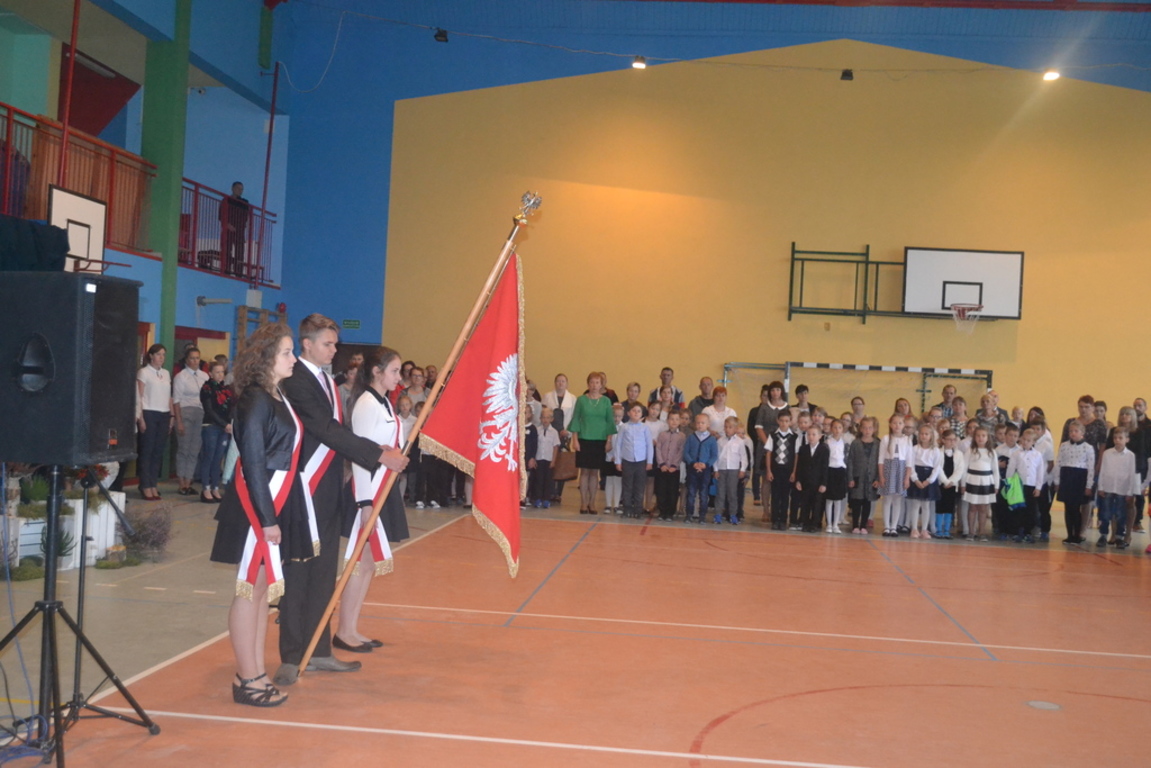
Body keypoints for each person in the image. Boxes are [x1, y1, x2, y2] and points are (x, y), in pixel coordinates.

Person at [274, 314, 397, 687]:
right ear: (307, 343)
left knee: (324, 573)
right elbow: (323, 428)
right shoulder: (296, 380)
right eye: (328, 344)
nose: (334, 350)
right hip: (302, 489)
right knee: (299, 574)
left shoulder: (327, 381)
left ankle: (319, 650)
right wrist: (377, 454)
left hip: (327, 488)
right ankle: (291, 656)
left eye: (335, 344)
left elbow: (337, 430)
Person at [209, 322, 300, 708]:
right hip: (255, 506)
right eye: (287, 352)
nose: (293, 358)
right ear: (266, 357)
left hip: (271, 502)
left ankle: (256, 672)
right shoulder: (255, 399)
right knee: (249, 590)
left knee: (261, 592)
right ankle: (247, 679)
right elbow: (253, 462)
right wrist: (266, 518)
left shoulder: (276, 394)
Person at [343, 346, 411, 652]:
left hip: (383, 486)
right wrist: (365, 504)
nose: (399, 377)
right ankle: (344, 630)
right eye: (394, 371)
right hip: (368, 490)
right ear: (376, 371)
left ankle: (352, 628)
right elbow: (360, 456)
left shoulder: (384, 402)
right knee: (360, 561)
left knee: (368, 563)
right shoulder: (367, 404)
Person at [568, 372, 616, 515]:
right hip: (584, 439)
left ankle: (592, 503)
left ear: (601, 385)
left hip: (599, 440)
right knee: (584, 472)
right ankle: (583, 502)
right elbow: (576, 419)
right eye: (592, 382)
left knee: (595, 473)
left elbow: (610, 422)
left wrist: (609, 441)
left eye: (597, 382)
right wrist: (575, 439)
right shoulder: (581, 400)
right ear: (588, 384)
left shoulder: (606, 401)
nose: (594, 385)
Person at [136, 343, 172, 501]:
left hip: (164, 413)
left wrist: (171, 416)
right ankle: (145, 485)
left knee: (158, 452)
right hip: (149, 412)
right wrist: (141, 418)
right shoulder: (144, 372)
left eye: (163, 354)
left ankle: (153, 484)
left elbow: (169, 396)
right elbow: (139, 396)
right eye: (158, 354)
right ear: (151, 356)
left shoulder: (166, 373)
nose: (161, 357)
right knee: (147, 451)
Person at [173, 346, 209, 496]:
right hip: (185, 412)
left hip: (200, 414)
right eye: (192, 358)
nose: (195, 361)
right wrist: (179, 421)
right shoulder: (181, 376)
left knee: (194, 450)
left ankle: (189, 482)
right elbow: (176, 400)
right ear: (187, 360)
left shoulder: (205, 376)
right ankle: (181, 483)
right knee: (184, 449)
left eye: (197, 358)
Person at [198, 360, 234, 503]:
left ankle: (215, 487)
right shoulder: (207, 388)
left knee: (218, 459)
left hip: (224, 428)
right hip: (211, 426)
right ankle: (205, 488)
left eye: (222, 372)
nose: (220, 375)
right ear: (210, 373)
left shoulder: (226, 389)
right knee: (209, 456)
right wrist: (224, 424)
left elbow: (229, 408)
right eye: (217, 372)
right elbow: (209, 410)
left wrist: (229, 423)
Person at [1096, 426, 1138, 549]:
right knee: (1105, 513)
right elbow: (1103, 471)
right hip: (1108, 487)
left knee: (1121, 514)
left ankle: (1119, 537)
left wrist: (1130, 491)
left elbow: (1131, 474)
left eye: (1120, 438)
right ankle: (1103, 535)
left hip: (1122, 489)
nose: (1117, 440)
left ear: (1127, 439)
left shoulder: (1130, 456)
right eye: (1115, 438)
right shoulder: (1107, 453)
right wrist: (1101, 487)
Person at [1055, 420, 1094, 545]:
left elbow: (1091, 468)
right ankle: (1069, 535)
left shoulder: (1088, 448)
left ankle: (1077, 535)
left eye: (1076, 431)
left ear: (1082, 433)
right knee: (1068, 508)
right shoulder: (1064, 446)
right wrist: (1057, 481)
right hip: (1066, 477)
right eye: (1071, 431)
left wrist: (1089, 485)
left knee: (1076, 508)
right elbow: (1058, 463)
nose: (1073, 433)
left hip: (1079, 478)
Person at [615, 402, 654, 518]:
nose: (636, 413)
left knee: (639, 487)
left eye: (638, 411)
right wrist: (618, 461)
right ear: (628, 413)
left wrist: (650, 461)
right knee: (627, 486)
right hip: (627, 461)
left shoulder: (645, 428)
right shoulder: (624, 427)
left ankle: (638, 509)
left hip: (641, 461)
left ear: (642, 414)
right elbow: (618, 444)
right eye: (634, 411)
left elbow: (649, 445)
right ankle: (627, 509)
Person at [1006, 429, 1045, 543]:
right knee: (1019, 509)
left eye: (1028, 440)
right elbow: (1010, 470)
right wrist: (1009, 484)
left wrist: (1038, 488)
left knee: (1030, 510)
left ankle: (1028, 532)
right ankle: (1018, 532)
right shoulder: (1016, 454)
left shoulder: (1037, 455)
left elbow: (1040, 472)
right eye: (1024, 439)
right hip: (1019, 486)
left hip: (1031, 486)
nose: (1025, 442)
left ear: (1033, 442)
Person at [878, 414, 912, 537]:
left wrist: (907, 477)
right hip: (889, 468)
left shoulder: (907, 440)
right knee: (887, 499)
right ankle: (886, 526)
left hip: (901, 470)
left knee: (898, 499)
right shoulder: (886, 438)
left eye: (900, 423)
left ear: (904, 425)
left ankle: (894, 527)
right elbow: (881, 459)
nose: (897, 425)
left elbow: (909, 461)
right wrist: (881, 476)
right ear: (890, 424)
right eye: (894, 423)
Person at [906, 424, 942, 539]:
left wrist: (929, 481)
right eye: (922, 434)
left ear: (931, 436)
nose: (924, 436)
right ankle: (914, 529)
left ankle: (924, 529)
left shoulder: (935, 450)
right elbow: (910, 465)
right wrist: (915, 479)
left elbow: (937, 467)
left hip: (928, 478)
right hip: (917, 476)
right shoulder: (914, 449)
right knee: (915, 504)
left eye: (926, 434)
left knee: (926, 505)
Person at [963, 427, 998, 542]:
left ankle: (982, 532)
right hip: (973, 481)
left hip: (986, 482)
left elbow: (995, 470)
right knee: (972, 507)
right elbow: (964, 468)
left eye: (983, 436)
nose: (980, 438)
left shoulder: (992, 452)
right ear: (974, 437)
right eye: (978, 435)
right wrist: (963, 484)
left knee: (983, 508)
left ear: (988, 438)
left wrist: (996, 485)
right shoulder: (970, 450)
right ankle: (971, 532)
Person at [765, 411, 798, 531]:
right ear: (777, 421)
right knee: (775, 495)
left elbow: (796, 455)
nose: (784, 423)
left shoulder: (794, 437)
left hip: (788, 471)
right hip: (776, 470)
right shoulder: (773, 435)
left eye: (786, 421)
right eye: (782, 421)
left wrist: (794, 472)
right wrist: (769, 471)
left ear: (790, 422)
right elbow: (768, 453)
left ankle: (783, 520)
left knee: (785, 496)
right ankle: (775, 520)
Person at [847, 416, 880, 534]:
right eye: (865, 428)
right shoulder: (855, 443)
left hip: (871, 478)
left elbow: (880, 462)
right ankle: (855, 525)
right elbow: (850, 460)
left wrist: (878, 478)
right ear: (860, 429)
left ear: (874, 429)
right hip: (858, 477)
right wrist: (850, 477)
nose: (867, 430)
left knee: (867, 501)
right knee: (857, 501)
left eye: (870, 428)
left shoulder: (878, 444)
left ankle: (863, 525)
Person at [683, 413, 718, 524]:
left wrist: (706, 464)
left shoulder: (712, 439)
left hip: (705, 470)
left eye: (703, 423)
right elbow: (686, 452)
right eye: (698, 423)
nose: (700, 425)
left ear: (708, 424)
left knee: (703, 493)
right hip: (692, 469)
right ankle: (689, 514)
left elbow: (714, 455)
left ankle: (702, 516)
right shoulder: (691, 437)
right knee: (691, 492)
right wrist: (692, 463)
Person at [794, 425, 828, 533]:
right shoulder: (803, 449)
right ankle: (805, 523)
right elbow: (800, 466)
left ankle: (815, 524)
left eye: (814, 434)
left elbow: (825, 467)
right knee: (805, 503)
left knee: (816, 504)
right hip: (806, 481)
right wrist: (798, 480)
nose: (811, 437)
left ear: (820, 436)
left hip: (818, 482)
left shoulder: (824, 449)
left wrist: (824, 483)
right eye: (809, 434)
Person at [713, 416, 747, 525]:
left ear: (736, 428)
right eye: (726, 427)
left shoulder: (740, 442)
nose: (727, 429)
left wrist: (742, 469)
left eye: (730, 427)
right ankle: (718, 514)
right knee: (720, 493)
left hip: (734, 470)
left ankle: (733, 515)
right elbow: (716, 456)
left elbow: (743, 457)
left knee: (732, 493)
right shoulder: (720, 441)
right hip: (722, 469)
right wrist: (716, 469)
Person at [654, 410, 686, 521]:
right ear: (668, 420)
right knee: (661, 490)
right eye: (672, 419)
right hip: (662, 468)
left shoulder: (682, 436)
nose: (674, 421)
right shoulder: (662, 435)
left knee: (672, 491)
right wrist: (661, 463)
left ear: (680, 421)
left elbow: (681, 451)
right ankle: (662, 511)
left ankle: (670, 513)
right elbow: (658, 449)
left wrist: (674, 465)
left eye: (677, 419)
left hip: (674, 469)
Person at [529, 407, 562, 508]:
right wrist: (534, 458)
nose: (545, 420)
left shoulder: (554, 432)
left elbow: (555, 447)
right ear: (540, 418)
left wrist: (553, 460)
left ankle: (546, 499)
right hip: (539, 458)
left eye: (548, 418)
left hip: (548, 459)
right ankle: (537, 498)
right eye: (543, 417)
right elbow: (534, 445)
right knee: (538, 479)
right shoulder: (537, 430)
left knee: (548, 480)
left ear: (552, 419)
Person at [936, 429, 965, 539]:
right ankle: (938, 529)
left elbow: (960, 470)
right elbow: (938, 468)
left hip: (952, 485)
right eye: (949, 439)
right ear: (943, 440)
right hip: (941, 484)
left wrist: (951, 481)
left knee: (950, 507)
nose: (952, 442)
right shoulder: (938, 452)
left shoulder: (959, 454)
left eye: (954, 440)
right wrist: (945, 481)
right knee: (939, 507)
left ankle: (947, 530)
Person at [823, 419, 849, 533]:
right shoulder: (827, 443)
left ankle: (835, 524)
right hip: (830, 471)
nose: (837, 430)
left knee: (838, 500)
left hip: (840, 471)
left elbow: (846, 459)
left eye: (839, 427)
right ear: (831, 429)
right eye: (835, 427)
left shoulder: (845, 443)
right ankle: (829, 524)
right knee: (829, 500)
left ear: (842, 429)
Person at [219, 181, 250, 276]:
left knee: (239, 252)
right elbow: (221, 215)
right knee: (226, 250)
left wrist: (239, 226)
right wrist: (227, 224)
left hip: (239, 231)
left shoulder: (244, 202)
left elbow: (245, 217)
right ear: (232, 188)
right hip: (228, 230)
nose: (240, 191)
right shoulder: (226, 200)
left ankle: (238, 272)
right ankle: (226, 269)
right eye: (238, 188)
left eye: (241, 189)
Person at [602, 403, 626, 514]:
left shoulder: (624, 428)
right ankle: (608, 504)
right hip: (609, 458)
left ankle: (616, 505)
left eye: (619, 416)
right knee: (609, 480)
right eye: (614, 416)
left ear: (622, 416)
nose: (616, 418)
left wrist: (618, 457)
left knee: (618, 481)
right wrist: (610, 455)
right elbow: (607, 443)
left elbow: (624, 445)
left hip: (619, 459)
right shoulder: (607, 427)